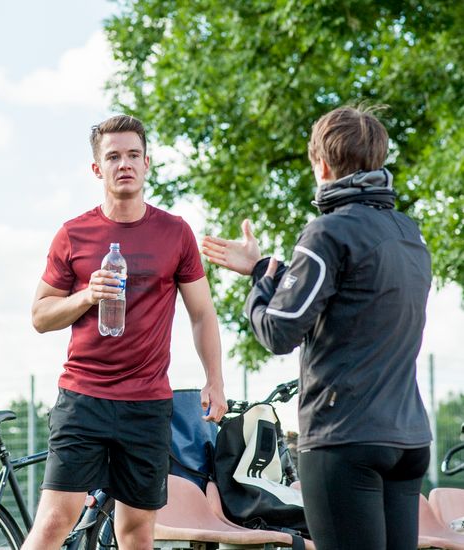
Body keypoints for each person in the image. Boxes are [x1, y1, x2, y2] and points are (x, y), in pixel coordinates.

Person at [202, 105, 432, 550]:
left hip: (344, 438)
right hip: (408, 440)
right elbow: (353, 294)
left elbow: (278, 331)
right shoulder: (409, 234)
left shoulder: (326, 232)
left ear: (321, 165)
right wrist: (264, 269)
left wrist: (260, 288)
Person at [25, 114, 227, 549]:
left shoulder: (176, 233)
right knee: (55, 521)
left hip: (148, 404)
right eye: (113, 156)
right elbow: (40, 316)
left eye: (133, 155)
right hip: (83, 399)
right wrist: (84, 297)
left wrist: (215, 379)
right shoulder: (73, 234)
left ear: (148, 163)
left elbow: (202, 313)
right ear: (97, 169)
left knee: (137, 530)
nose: (125, 164)